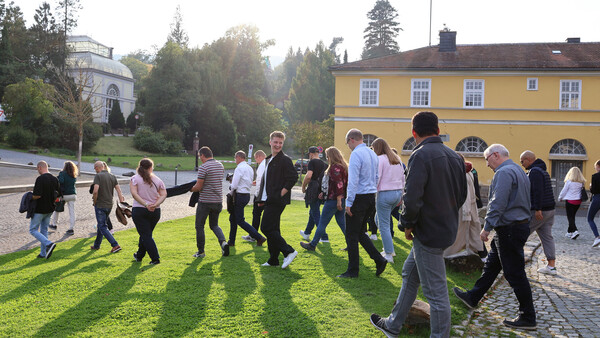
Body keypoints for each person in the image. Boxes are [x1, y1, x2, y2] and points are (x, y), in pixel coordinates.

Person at [370, 112, 467, 337]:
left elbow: (412, 197)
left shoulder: (420, 155)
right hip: (444, 228)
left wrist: (408, 224)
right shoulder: (454, 156)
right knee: (409, 274)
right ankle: (393, 325)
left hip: (428, 232)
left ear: (414, 132)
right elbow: (461, 195)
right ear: (437, 129)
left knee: (437, 295)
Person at [453, 144, 536, 331]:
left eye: (487, 159)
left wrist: (486, 228)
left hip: (509, 228)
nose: (487, 164)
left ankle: (528, 316)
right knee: (491, 266)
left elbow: (497, 202)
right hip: (515, 226)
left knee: (515, 273)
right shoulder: (518, 170)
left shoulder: (504, 172)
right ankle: (473, 296)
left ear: (496, 155)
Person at [338, 128, 388, 278]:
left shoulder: (356, 154)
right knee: (359, 233)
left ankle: (353, 270)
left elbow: (353, 181)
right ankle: (379, 259)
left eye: (347, 143)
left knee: (351, 235)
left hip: (359, 197)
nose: (348, 146)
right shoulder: (372, 153)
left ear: (351, 140)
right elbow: (377, 176)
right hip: (370, 196)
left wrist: (349, 202)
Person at [257, 131, 299, 268]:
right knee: (274, 229)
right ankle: (273, 259)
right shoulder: (269, 159)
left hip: (277, 200)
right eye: (275, 142)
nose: (278, 145)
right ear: (270, 142)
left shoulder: (285, 159)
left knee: (266, 227)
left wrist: (280, 194)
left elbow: (293, 178)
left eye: (280, 143)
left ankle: (289, 251)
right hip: (269, 199)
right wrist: (262, 198)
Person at [300, 146, 348, 251]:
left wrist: (338, 199)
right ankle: (351, 243)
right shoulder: (343, 166)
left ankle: (312, 244)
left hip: (334, 200)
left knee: (322, 222)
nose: (326, 158)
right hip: (340, 198)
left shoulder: (335, 168)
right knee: (341, 222)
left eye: (327, 156)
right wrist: (324, 193)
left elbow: (338, 184)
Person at [519, 150, 557, 275]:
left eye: (522, 161)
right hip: (550, 209)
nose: (521, 164)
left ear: (528, 159)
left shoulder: (534, 172)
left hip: (541, 210)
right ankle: (551, 267)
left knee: (521, 234)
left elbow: (538, 191)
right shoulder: (542, 170)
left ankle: (517, 265)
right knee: (547, 237)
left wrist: (537, 209)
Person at [190, 146, 230, 258]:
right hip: (217, 201)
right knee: (214, 225)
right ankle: (223, 243)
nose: (200, 158)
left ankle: (201, 251)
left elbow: (198, 186)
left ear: (203, 155)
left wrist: (190, 188)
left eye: (199, 156)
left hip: (205, 201)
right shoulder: (220, 165)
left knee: (199, 226)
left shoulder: (204, 167)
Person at [444, 154, 484, 259]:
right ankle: (482, 254)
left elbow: (465, 194)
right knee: (472, 231)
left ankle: (448, 256)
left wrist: (466, 212)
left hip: (463, 208)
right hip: (467, 206)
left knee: (461, 232)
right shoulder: (467, 172)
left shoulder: (463, 174)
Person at [372, 137, 405, 263]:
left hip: (385, 194)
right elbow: (403, 178)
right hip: (397, 193)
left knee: (383, 225)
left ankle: (389, 253)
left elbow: (377, 177)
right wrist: (401, 195)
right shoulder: (396, 158)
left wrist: (372, 192)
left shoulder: (380, 159)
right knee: (378, 219)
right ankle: (389, 250)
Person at [130, 158, 167, 265]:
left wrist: (145, 204)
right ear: (151, 167)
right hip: (155, 211)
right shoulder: (158, 180)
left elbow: (134, 194)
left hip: (139, 209)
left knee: (146, 235)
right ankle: (139, 255)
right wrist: (155, 204)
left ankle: (155, 258)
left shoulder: (134, 178)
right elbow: (164, 194)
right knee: (146, 234)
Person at [228, 150, 266, 246]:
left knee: (240, 220)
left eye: (235, 158)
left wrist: (230, 188)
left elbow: (235, 185)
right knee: (233, 218)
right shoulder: (249, 168)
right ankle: (231, 241)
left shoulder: (239, 168)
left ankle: (258, 237)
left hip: (239, 195)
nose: (235, 160)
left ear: (238, 157)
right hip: (246, 195)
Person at [91, 161, 124, 253]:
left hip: (100, 204)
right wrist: (121, 199)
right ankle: (96, 245)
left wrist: (95, 201)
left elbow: (95, 191)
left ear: (98, 167)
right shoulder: (112, 176)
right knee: (101, 225)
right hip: (110, 204)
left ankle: (115, 245)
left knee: (102, 226)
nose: (95, 170)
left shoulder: (98, 176)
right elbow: (118, 189)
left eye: (95, 168)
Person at [29, 161, 59, 259]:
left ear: (40, 167)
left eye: (37, 169)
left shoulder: (40, 179)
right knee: (44, 230)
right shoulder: (55, 179)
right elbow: (58, 196)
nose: (38, 171)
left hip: (40, 209)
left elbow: (37, 195)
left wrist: (30, 197)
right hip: (50, 208)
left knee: (33, 230)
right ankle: (43, 253)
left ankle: (49, 244)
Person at [300, 146, 328, 242]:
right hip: (321, 190)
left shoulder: (312, 162)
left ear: (311, 154)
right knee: (313, 211)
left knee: (315, 213)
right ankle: (307, 233)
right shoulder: (325, 164)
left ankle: (324, 236)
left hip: (313, 188)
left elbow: (308, 176)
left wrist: (303, 187)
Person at [243, 150, 267, 242]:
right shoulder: (266, 164)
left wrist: (258, 195)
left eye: (255, 158)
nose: (256, 160)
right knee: (257, 215)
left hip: (260, 195)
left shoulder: (261, 165)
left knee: (256, 215)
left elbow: (261, 181)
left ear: (259, 157)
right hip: (264, 194)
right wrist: (256, 182)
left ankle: (254, 235)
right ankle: (253, 234)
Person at [49, 161, 78, 235]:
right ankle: (71, 228)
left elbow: (61, 181)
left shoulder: (62, 173)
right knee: (72, 212)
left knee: (57, 209)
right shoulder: (73, 175)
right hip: (72, 195)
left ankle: (54, 224)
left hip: (64, 195)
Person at [558, 166, 586, 240]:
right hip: (578, 201)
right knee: (572, 216)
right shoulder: (581, 183)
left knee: (570, 217)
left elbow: (564, 190)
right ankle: (569, 232)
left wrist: (560, 197)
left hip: (570, 201)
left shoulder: (569, 182)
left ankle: (575, 231)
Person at [587, 160, 600, 248]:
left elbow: (593, 190)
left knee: (590, 218)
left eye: (595, 167)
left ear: (598, 166)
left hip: (597, 198)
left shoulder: (595, 176)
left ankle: (597, 237)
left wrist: (591, 186)